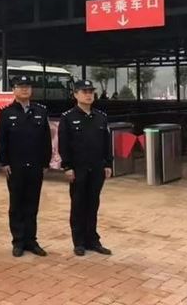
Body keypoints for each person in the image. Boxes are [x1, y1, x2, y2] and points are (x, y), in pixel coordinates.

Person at [0, 75, 52, 257]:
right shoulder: (6, 113)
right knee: (16, 205)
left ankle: (31, 241)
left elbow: (46, 140)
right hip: (15, 167)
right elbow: (2, 141)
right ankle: (18, 241)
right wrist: (4, 162)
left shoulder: (40, 111)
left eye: (27, 86)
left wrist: (45, 162)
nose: (24, 89)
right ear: (13, 90)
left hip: (35, 166)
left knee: (32, 204)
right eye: (20, 86)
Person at [58, 79, 113, 257]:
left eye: (91, 92)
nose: (89, 95)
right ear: (75, 94)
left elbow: (106, 143)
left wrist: (108, 164)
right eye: (84, 92)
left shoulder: (100, 117)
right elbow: (63, 145)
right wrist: (67, 166)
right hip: (78, 169)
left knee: (93, 204)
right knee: (78, 204)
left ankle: (93, 240)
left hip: (97, 168)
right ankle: (79, 241)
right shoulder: (68, 117)